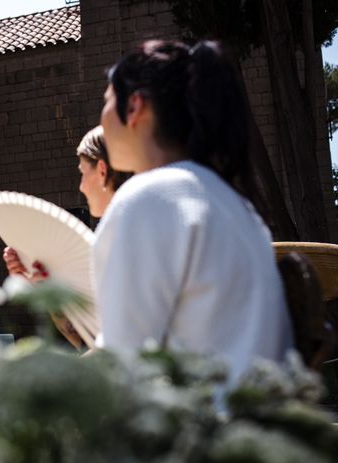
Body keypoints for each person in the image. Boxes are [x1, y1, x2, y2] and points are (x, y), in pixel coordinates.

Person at [95, 39, 291, 382]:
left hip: (195, 429)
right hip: (260, 425)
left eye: (107, 100)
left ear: (134, 107)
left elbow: (124, 367)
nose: (102, 117)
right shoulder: (236, 203)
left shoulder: (148, 198)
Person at [3, 126, 131, 350]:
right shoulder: (113, 235)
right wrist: (43, 285)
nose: (81, 187)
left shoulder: (125, 240)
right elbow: (83, 338)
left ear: (101, 171)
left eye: (82, 173)